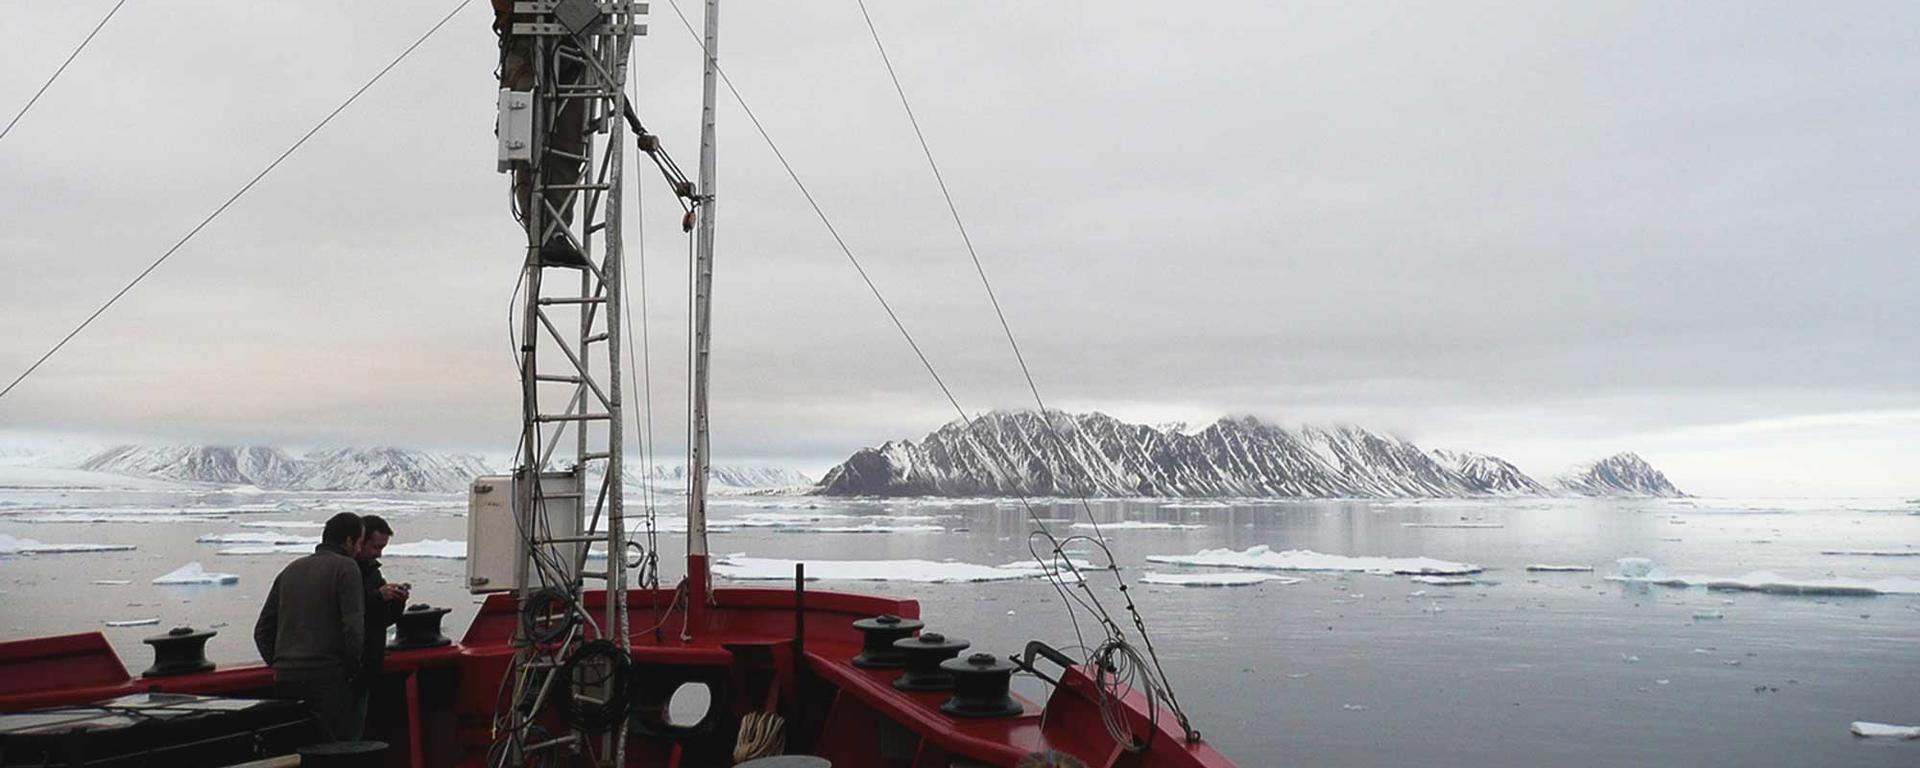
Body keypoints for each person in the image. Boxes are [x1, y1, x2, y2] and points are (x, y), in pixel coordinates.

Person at [254, 512, 365, 742]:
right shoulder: (346, 568)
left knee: (296, 748)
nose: (359, 550)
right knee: (332, 750)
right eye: (360, 543)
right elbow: (353, 628)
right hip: (328, 680)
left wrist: (279, 664)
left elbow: (262, 630)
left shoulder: (291, 569)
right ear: (348, 541)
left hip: (285, 682)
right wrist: (352, 669)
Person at [347, 514, 409, 740]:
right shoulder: (343, 572)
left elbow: (381, 618)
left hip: (365, 670)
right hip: (344, 672)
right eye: (376, 546)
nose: (379, 553)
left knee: (355, 733)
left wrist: (396, 600)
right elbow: (343, 610)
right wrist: (377, 597)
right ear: (358, 542)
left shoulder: (372, 573)